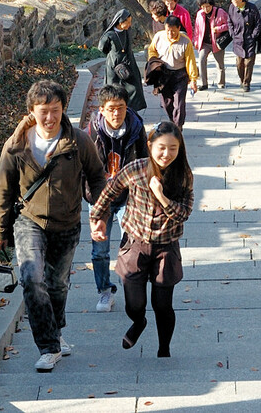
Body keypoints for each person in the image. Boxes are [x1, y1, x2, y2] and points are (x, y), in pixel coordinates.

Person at [0, 80, 107, 372]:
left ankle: (56, 330)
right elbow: (3, 189)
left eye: (55, 110)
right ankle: (48, 346)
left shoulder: (78, 141)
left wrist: (99, 210)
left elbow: (97, 177)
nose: (50, 118)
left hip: (67, 224)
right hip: (29, 221)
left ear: (63, 109)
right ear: (32, 111)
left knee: (58, 285)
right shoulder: (16, 145)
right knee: (32, 278)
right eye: (44, 111)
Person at [89, 120, 194, 359]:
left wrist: (161, 195)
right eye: (161, 148)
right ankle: (139, 322)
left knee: (162, 304)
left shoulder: (183, 174)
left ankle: (163, 350)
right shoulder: (135, 168)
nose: (167, 154)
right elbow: (109, 190)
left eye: (173, 148)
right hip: (135, 244)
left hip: (166, 247)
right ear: (150, 145)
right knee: (134, 304)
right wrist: (98, 219)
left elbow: (184, 214)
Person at [85, 85, 148, 313]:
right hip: (100, 198)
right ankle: (104, 292)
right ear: (102, 110)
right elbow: (84, 170)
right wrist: (92, 199)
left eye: (120, 108)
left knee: (131, 244)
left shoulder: (136, 127)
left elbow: (145, 162)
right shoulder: (91, 133)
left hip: (127, 197)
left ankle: (130, 286)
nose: (116, 114)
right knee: (99, 250)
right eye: (111, 109)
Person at [147, 15, 198, 129]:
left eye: (173, 31)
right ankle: (173, 121)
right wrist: (154, 62)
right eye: (168, 31)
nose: (170, 34)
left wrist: (193, 80)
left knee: (179, 103)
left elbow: (190, 61)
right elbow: (152, 50)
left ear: (179, 28)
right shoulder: (159, 36)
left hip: (180, 75)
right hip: (164, 75)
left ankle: (178, 126)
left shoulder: (185, 42)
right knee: (166, 103)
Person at [98, 9, 146, 113]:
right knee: (114, 89)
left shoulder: (127, 31)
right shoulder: (109, 35)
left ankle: (130, 111)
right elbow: (102, 48)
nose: (130, 24)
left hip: (129, 64)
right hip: (114, 67)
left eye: (130, 21)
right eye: (127, 22)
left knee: (134, 88)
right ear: (120, 22)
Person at [226, 0, 261, 92]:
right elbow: (229, 21)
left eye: (234, 0)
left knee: (249, 62)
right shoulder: (232, 8)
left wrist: (253, 35)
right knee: (239, 63)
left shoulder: (252, 8)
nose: (232, 2)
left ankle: (247, 82)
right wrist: (232, 33)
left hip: (250, 39)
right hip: (238, 39)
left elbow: (258, 23)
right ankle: (242, 79)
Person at [193, 0, 230, 90]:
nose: (206, 9)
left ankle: (221, 83)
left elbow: (229, 25)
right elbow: (197, 29)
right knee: (201, 60)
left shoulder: (220, 12)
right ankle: (204, 83)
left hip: (217, 42)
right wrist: (196, 41)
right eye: (203, 7)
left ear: (212, 5)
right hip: (204, 43)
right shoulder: (199, 14)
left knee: (219, 64)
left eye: (208, 7)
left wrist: (219, 29)